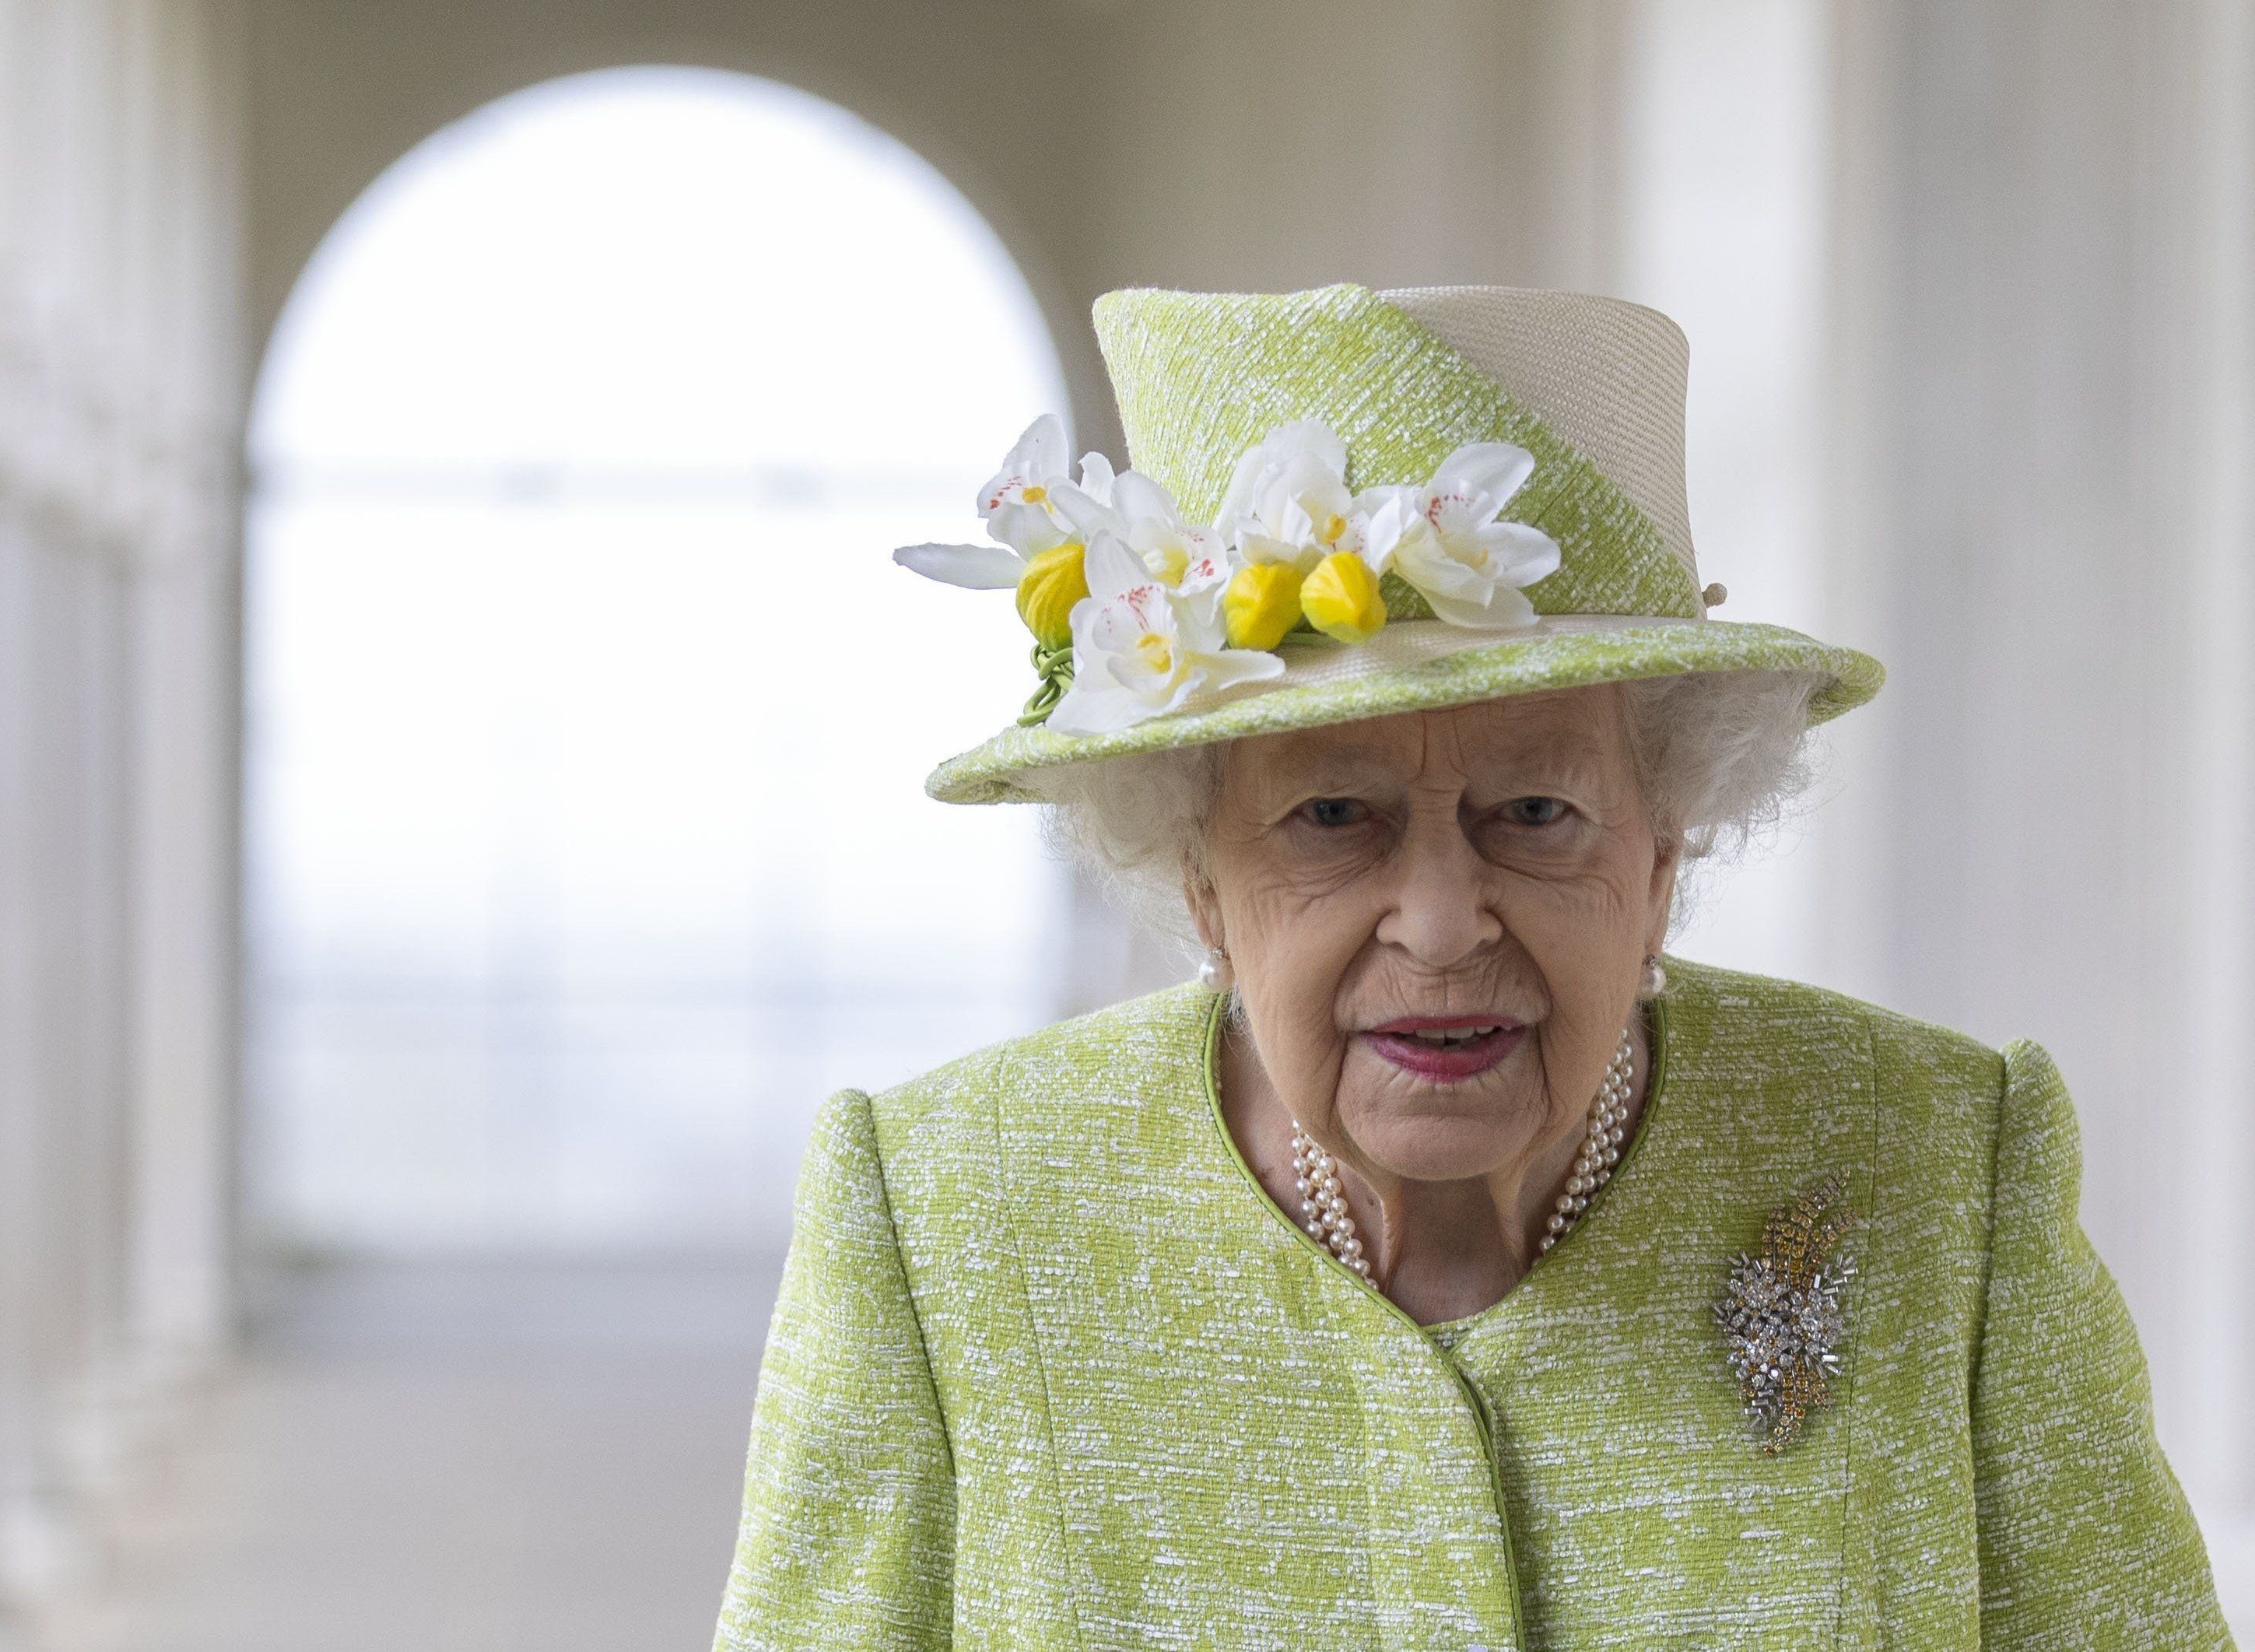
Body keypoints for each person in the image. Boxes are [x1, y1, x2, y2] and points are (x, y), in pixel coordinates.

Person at [710, 282, 2230, 1648]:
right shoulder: (947, 1209)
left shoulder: (1938, 1163)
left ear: (1661, 855)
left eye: (1533, 812)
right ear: (1198, 876)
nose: (1439, 923)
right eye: (1329, 815)